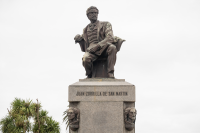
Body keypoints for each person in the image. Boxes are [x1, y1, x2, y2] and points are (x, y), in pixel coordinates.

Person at [74, 6, 125, 78]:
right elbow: (84, 37)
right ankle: (89, 74)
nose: (94, 14)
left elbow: (110, 37)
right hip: (91, 50)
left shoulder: (105, 24)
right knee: (85, 58)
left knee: (112, 48)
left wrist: (97, 46)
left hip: (104, 48)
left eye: (95, 13)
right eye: (92, 13)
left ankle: (110, 73)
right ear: (88, 16)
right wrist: (78, 37)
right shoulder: (85, 29)